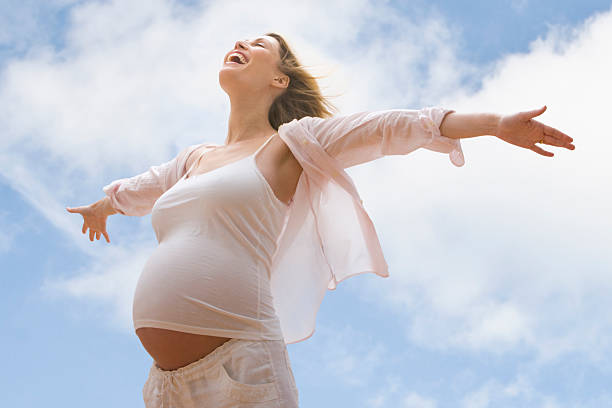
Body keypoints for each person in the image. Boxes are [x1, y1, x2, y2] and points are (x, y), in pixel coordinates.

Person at [65, 32, 575, 407]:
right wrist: (104, 206)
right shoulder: (192, 160)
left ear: (278, 79)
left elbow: (392, 127)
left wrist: (493, 125)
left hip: (241, 369)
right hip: (167, 386)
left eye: (258, 44)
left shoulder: (293, 141)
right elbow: (141, 189)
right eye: (239, 37)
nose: (240, 41)